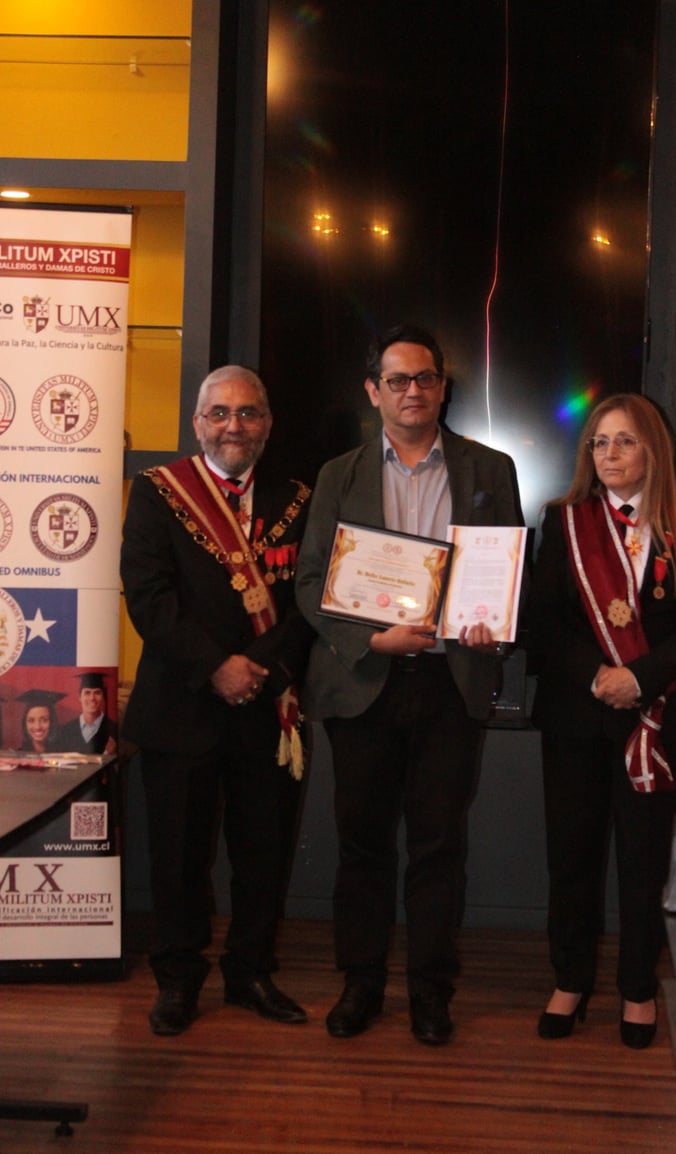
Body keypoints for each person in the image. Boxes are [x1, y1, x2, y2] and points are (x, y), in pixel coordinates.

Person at [295, 324, 524, 1046]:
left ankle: (431, 992)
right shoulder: (339, 474)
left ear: (443, 388)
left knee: (438, 847)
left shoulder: (491, 470)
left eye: (425, 378)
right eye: (397, 380)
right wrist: (371, 639)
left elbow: (506, 573)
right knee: (361, 845)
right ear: (374, 391)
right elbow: (310, 581)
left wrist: (494, 626)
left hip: (451, 682)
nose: (413, 391)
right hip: (365, 681)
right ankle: (360, 984)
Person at [120, 364, 314, 1037]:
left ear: (268, 423)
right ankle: (177, 980)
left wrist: (257, 668)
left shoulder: (299, 499)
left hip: (267, 704)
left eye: (249, 412)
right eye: (220, 413)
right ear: (198, 422)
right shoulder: (157, 492)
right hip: (181, 705)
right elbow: (148, 595)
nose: (235, 425)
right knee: (178, 859)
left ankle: (250, 972)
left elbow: (311, 600)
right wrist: (215, 667)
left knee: (263, 853)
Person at [526, 393, 676, 1049]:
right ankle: (570, 981)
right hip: (576, 716)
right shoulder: (565, 521)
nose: (609, 453)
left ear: (652, 449)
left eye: (625, 440)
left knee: (645, 860)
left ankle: (637, 988)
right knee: (571, 857)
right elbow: (545, 622)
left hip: (654, 720)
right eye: (600, 442)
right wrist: (598, 675)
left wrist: (639, 678)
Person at [60, 672, 118, 755]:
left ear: (102, 696)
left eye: (97, 693)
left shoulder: (113, 729)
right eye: (87, 692)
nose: (92, 698)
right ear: (80, 697)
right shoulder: (66, 730)